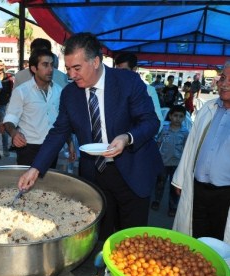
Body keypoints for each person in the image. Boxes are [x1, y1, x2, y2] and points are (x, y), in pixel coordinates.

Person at [17, 32, 163, 242]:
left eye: (77, 68)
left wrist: (127, 137)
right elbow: (59, 132)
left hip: (132, 171)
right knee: (97, 235)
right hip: (95, 175)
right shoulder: (70, 93)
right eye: (67, 68)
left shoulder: (127, 81)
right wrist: (36, 167)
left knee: (132, 239)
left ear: (95, 61)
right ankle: (100, 272)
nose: (71, 75)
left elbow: (150, 121)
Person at [172, 61, 230, 243]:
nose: (224, 83)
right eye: (223, 77)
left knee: (221, 244)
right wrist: (180, 179)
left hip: (225, 196)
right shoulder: (208, 108)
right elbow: (191, 146)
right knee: (196, 239)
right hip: (198, 188)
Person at [4, 48, 73, 168]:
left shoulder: (59, 91)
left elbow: (62, 121)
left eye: (52, 65)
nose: (50, 69)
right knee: (28, 185)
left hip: (52, 146)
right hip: (28, 149)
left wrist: (70, 142)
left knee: (48, 184)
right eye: (45, 65)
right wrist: (14, 133)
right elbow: (10, 119)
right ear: (34, 68)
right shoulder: (22, 91)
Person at [151, 105, 188, 217]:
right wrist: (155, 157)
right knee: (160, 183)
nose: (178, 118)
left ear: (184, 118)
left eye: (181, 116)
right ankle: (157, 201)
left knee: (174, 186)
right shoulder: (165, 129)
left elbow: (187, 148)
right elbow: (158, 143)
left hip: (177, 164)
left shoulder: (185, 132)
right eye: (175, 115)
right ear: (170, 116)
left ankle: (173, 206)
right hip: (163, 162)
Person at [114, 52, 164, 134]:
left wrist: (133, 138)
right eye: (117, 71)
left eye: (124, 71)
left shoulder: (148, 90)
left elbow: (158, 122)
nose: (120, 75)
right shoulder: (113, 88)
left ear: (134, 69)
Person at [0, 59, 13, 157]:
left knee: (4, 128)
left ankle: (5, 148)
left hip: (3, 105)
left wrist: (7, 101)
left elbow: (11, 91)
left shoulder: (8, 77)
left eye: (1, 65)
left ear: (4, 66)